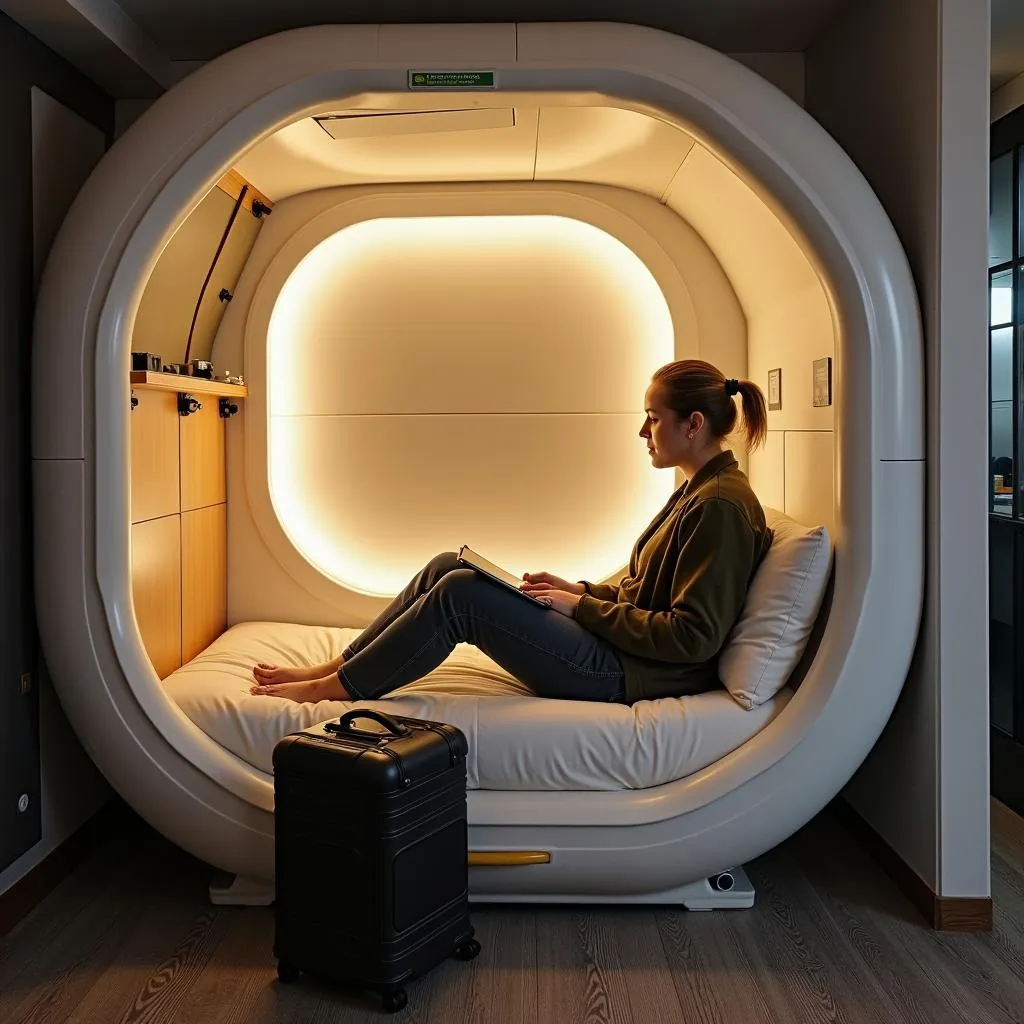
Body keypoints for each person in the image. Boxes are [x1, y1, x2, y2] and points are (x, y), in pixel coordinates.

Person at [250, 359, 773, 706]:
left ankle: (334, 690)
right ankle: (340, 666)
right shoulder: (699, 491)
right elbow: (648, 594)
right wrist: (581, 591)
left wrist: (583, 611)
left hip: (625, 674)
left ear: (693, 425)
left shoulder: (720, 507)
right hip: (619, 650)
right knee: (447, 566)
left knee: (461, 596)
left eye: (652, 418)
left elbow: (692, 637)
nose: (642, 431)